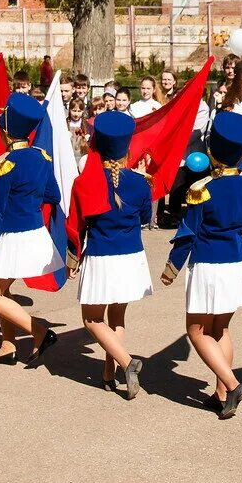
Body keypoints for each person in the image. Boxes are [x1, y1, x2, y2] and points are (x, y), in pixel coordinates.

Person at [161, 112, 242, 419]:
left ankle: (231, 385)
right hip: (237, 261)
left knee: (195, 330)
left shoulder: (201, 189)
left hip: (209, 263)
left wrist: (171, 267)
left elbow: (188, 233)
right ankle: (221, 394)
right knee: (221, 328)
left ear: (212, 152)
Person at [0, 94, 63, 364]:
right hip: (34, 232)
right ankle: (7, 346)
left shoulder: (4, 164)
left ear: (6, 133)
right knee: (3, 292)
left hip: (12, 237)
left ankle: (40, 332)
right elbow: (54, 195)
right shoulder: (42, 157)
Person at [70, 112, 151, 398]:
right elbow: (145, 216)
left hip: (102, 256)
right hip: (131, 256)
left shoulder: (85, 182)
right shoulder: (141, 182)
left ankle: (127, 363)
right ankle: (108, 373)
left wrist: (72, 258)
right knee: (116, 317)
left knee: (92, 320)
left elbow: (76, 224)